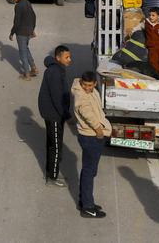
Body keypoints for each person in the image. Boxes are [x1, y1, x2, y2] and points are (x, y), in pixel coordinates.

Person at [73, 71, 110, 218]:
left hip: (92, 135)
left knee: (90, 170)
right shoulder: (81, 96)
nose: (87, 88)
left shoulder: (91, 91)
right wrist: (99, 130)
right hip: (91, 136)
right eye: (84, 85)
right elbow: (87, 113)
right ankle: (88, 207)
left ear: (95, 84)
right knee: (89, 171)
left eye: (89, 85)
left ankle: (85, 201)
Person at [38, 45, 72, 187]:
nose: (70, 60)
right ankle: (52, 177)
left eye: (69, 57)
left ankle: (50, 173)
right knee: (56, 146)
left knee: (52, 144)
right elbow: (57, 96)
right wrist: (65, 114)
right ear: (58, 58)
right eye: (67, 57)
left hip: (51, 113)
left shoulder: (56, 69)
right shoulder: (55, 72)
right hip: (54, 115)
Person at [9, 0, 37, 80]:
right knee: (26, 50)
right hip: (28, 32)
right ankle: (34, 68)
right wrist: (32, 29)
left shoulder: (18, 6)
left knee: (23, 54)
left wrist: (12, 33)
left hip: (21, 33)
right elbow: (34, 16)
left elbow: (16, 22)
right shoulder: (27, 2)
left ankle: (27, 75)